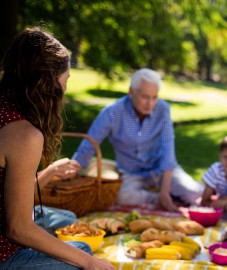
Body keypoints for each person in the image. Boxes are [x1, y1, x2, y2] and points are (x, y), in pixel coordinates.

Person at [0, 27, 114, 269]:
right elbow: (17, 228)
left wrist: (49, 171)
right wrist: (90, 263)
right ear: (48, 82)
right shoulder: (23, 134)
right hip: (4, 253)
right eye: (67, 78)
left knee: (72, 236)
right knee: (81, 251)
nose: (66, 87)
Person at [72, 68, 204, 212]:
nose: (150, 103)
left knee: (194, 193)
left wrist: (165, 191)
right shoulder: (112, 112)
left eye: (154, 97)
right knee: (122, 197)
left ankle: (166, 194)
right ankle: (158, 198)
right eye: (145, 97)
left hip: (159, 168)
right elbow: (89, 145)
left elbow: (168, 151)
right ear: (131, 92)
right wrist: (70, 173)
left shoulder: (163, 109)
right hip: (130, 172)